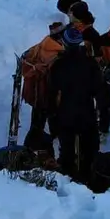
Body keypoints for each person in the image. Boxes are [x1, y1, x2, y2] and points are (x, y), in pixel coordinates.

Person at [47, 27, 109, 183]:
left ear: (65, 43)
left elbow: (52, 91)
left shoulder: (58, 65)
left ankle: (68, 181)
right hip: (86, 111)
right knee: (90, 150)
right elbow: (99, 90)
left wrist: (52, 116)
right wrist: (103, 115)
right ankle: (88, 177)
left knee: (67, 151)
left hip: (66, 112)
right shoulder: (90, 64)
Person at [20, 21, 67, 155]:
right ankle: (29, 149)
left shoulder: (45, 44)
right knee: (41, 121)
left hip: (39, 91)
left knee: (40, 119)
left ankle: (35, 145)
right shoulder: (55, 51)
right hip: (45, 91)